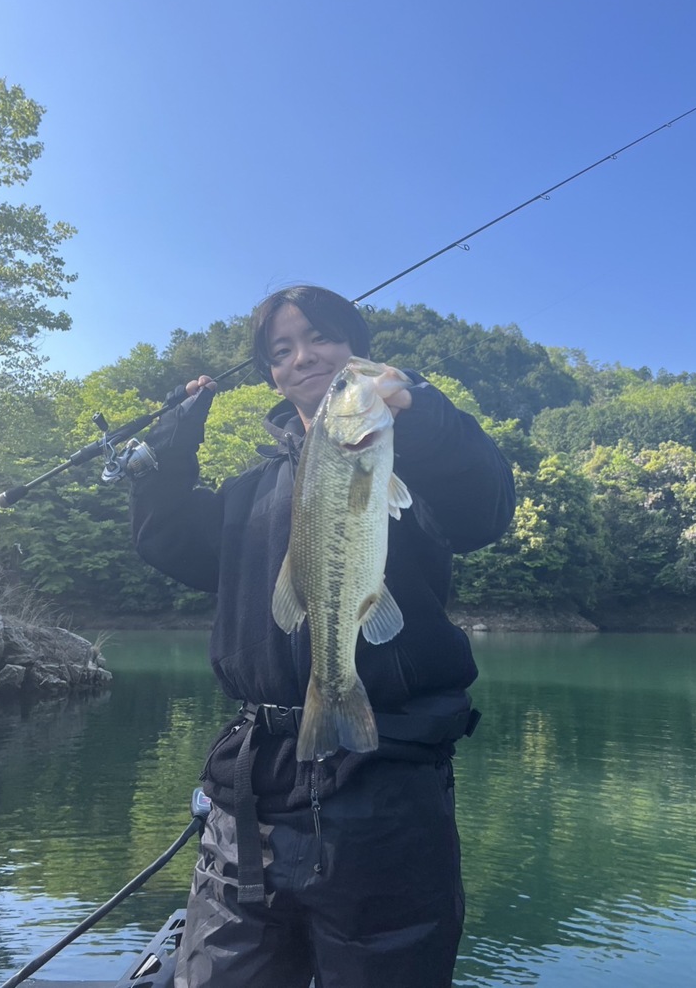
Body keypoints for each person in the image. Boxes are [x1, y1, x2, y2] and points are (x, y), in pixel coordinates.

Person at [130, 286, 516, 988]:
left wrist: (420, 411)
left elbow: (485, 506)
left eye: (321, 339)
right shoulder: (247, 494)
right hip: (250, 801)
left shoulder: (411, 458)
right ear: (271, 375)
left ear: (358, 352)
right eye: (281, 351)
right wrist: (171, 442)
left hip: (387, 795)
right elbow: (165, 538)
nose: (303, 357)